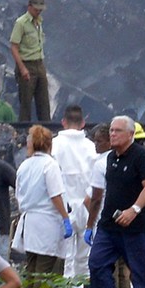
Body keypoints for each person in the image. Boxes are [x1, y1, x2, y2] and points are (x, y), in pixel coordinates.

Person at [88, 115, 145, 288]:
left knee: (140, 273)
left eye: (117, 130)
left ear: (130, 134)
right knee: (97, 264)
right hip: (109, 226)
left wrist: (134, 210)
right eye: (111, 130)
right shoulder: (110, 157)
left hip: (134, 228)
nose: (113, 134)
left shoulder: (141, 156)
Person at [14, 125, 72, 275]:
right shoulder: (50, 165)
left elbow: (19, 195)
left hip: (29, 225)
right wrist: (66, 218)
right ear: (49, 144)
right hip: (48, 225)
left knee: (31, 271)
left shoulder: (24, 166)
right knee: (45, 274)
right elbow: (55, 195)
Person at [85, 123, 132, 288]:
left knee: (105, 265)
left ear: (108, 142)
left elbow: (92, 199)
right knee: (123, 268)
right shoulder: (127, 158)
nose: (96, 144)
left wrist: (90, 224)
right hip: (124, 218)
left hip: (105, 222)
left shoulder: (101, 163)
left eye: (99, 141)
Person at [51, 105, 96, 279]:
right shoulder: (91, 147)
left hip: (64, 207)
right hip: (87, 205)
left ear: (63, 122)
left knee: (66, 258)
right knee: (85, 259)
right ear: (83, 123)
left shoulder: (55, 146)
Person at [10, 0, 49, 122]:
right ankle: (24, 132)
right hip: (27, 64)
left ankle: (46, 130)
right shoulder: (21, 23)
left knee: (43, 102)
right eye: (36, 9)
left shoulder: (39, 22)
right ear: (29, 7)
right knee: (26, 103)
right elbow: (14, 46)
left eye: (40, 10)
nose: (38, 12)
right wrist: (22, 68)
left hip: (39, 63)